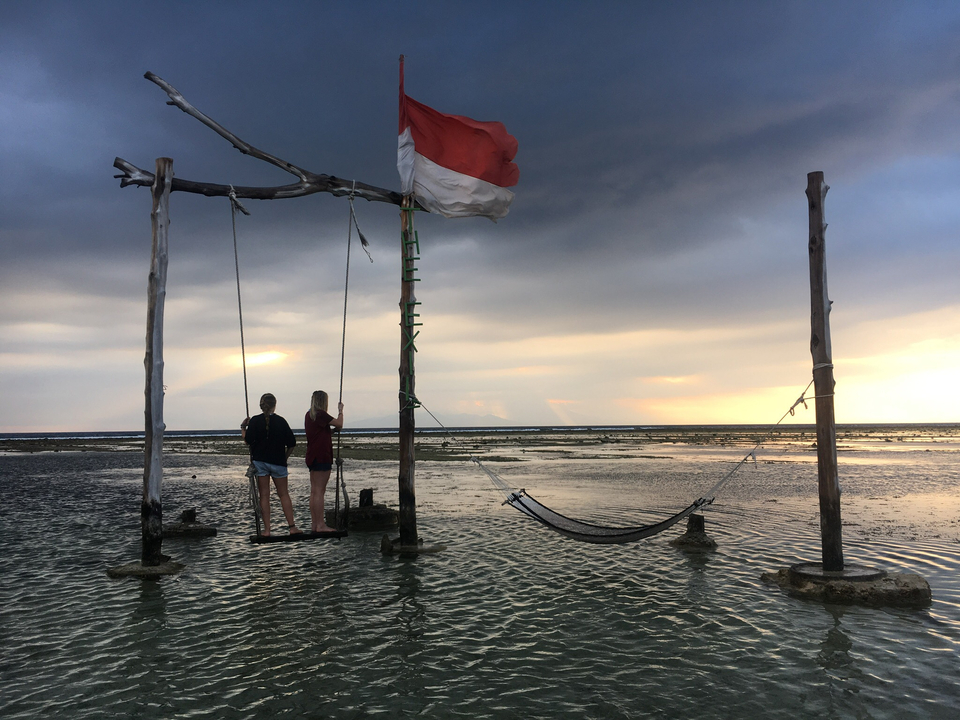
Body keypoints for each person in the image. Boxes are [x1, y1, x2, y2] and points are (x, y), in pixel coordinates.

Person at [241, 393, 300, 536]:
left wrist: (243, 427)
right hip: (278, 462)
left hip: (260, 462)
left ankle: (267, 530)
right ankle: (292, 527)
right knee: (284, 494)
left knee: (264, 496)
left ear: (261, 405)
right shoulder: (281, 421)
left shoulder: (255, 421)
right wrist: (284, 458)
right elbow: (292, 443)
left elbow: (247, 440)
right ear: (275, 404)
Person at [304, 390, 344, 532]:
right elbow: (339, 424)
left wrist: (330, 432)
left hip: (312, 455)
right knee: (320, 491)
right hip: (322, 455)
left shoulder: (310, 415)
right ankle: (320, 525)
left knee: (314, 491)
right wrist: (340, 411)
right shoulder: (321, 414)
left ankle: (315, 524)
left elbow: (318, 432)